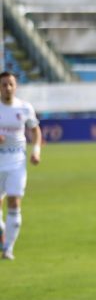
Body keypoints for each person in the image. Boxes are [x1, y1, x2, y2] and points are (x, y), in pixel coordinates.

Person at [0, 71, 42, 261]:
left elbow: (35, 131)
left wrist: (36, 151)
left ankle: (8, 248)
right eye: (4, 85)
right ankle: (3, 232)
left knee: (14, 202)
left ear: (16, 86)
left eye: (11, 84)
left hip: (16, 162)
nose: (8, 88)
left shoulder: (24, 108)